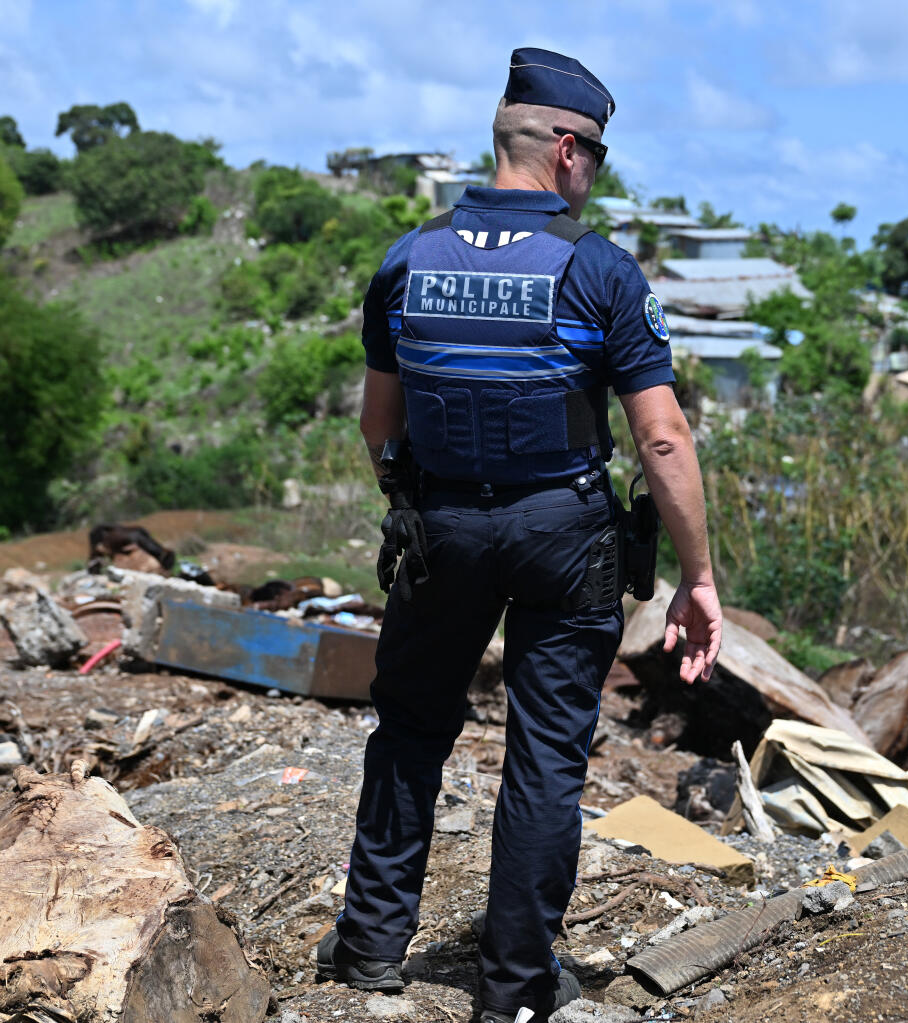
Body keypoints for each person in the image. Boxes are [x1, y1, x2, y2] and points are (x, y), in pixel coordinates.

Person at [316, 47, 724, 1023]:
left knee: (411, 731)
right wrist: (696, 576)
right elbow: (659, 434)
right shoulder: (597, 273)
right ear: (568, 153)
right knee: (544, 759)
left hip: (442, 525)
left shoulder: (406, 261)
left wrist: (410, 504)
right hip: (563, 538)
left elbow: (379, 424)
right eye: (598, 158)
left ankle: (369, 948)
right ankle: (512, 991)